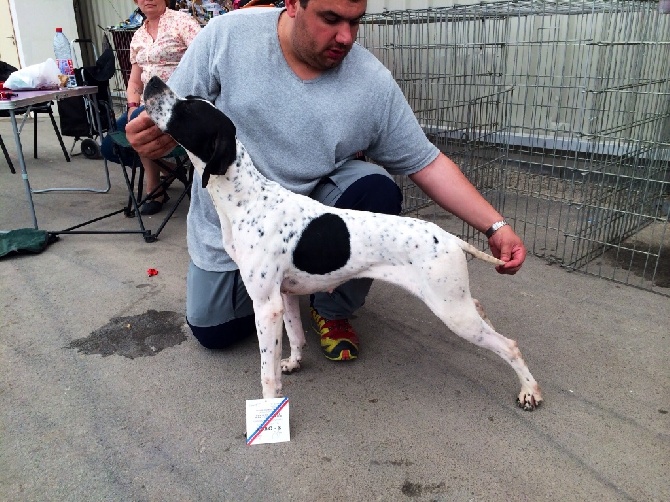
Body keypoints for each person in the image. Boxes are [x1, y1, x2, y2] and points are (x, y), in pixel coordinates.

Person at [127, 0, 527, 360]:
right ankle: (288, 285)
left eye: (356, 22)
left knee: (375, 185)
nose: (345, 37)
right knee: (214, 332)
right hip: (236, 223)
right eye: (331, 18)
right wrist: (150, 137)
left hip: (314, 209)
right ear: (293, 4)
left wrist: (496, 225)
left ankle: (331, 305)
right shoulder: (228, 36)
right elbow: (172, 112)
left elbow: (426, 162)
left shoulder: (371, 81)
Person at [101, 0, 200, 215]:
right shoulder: (138, 36)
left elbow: (203, 61)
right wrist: (131, 105)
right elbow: (135, 82)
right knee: (110, 146)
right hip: (147, 107)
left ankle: (155, 188)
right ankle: (172, 169)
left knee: (139, 121)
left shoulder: (182, 22)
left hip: (180, 105)